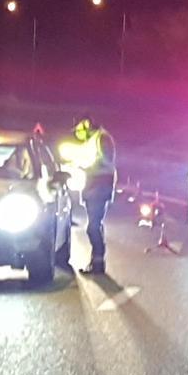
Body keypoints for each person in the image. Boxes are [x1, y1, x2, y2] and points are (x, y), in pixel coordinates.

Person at [68, 115, 117, 274]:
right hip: (92, 186)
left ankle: (98, 262)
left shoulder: (102, 138)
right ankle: (96, 263)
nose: (78, 133)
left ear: (87, 124)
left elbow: (106, 161)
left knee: (93, 227)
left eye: (79, 129)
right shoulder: (92, 140)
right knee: (95, 225)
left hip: (100, 186)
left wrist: (84, 165)